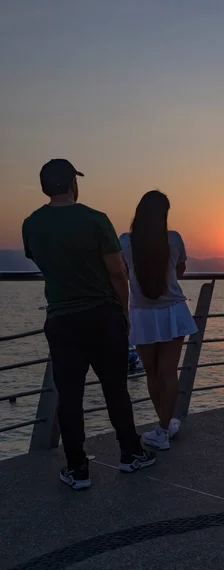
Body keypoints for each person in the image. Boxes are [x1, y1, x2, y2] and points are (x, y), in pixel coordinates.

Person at [22, 159, 156, 489]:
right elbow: (117, 272)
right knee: (116, 389)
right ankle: (130, 454)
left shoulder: (30, 225)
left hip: (62, 319)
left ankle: (77, 468)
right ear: (72, 184)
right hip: (102, 316)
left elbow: (41, 261)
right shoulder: (95, 220)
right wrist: (123, 312)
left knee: (69, 397)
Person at [120, 190, 197, 450]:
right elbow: (180, 271)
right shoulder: (173, 240)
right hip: (173, 311)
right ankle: (165, 426)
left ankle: (162, 427)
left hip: (142, 313)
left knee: (152, 373)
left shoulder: (125, 242)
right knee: (168, 371)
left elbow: (122, 273)